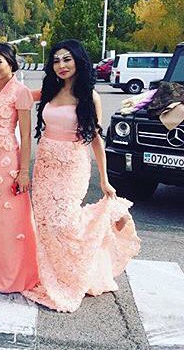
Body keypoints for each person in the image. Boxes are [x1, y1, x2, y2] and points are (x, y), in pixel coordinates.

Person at [22, 40, 140, 312]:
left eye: (67, 59)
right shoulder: (49, 90)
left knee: (65, 222)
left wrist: (104, 179)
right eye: (56, 61)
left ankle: (74, 271)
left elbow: (96, 139)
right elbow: (17, 94)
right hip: (45, 165)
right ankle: (50, 273)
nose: (61, 65)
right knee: (45, 223)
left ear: (78, 61)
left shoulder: (90, 96)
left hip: (72, 165)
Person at [0, 43, 39, 292]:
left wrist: (24, 172)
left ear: (11, 62)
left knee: (10, 220)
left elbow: (26, 136)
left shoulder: (20, 92)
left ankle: (13, 276)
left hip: (6, 163)